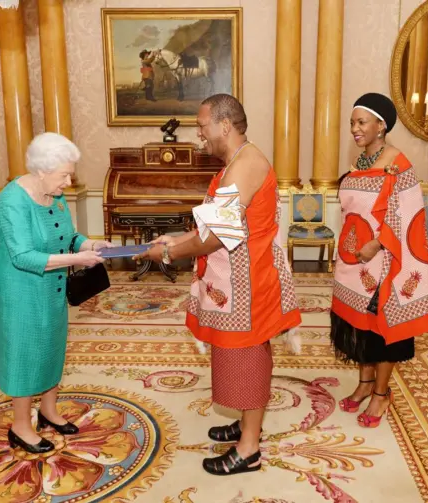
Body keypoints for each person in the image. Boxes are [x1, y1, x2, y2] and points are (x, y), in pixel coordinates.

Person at [134, 93, 301, 476]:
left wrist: (169, 253)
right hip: (234, 282)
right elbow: (208, 227)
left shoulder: (247, 165)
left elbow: (215, 237)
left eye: (202, 126)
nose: (198, 134)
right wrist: (171, 241)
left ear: (225, 125)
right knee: (235, 356)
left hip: (251, 280)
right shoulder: (233, 164)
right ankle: (246, 425)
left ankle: (249, 449)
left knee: (249, 357)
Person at [0, 132, 112, 453]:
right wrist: (78, 259)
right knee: (24, 354)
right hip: (20, 291)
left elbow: (69, 237)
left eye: (70, 174)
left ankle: (48, 411)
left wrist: (89, 244)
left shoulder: (54, 195)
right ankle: (20, 426)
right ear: (42, 171)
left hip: (52, 287)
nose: (68, 182)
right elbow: (23, 256)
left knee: (51, 347)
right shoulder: (11, 201)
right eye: (64, 175)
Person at [331, 92, 428, 427]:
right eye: (352, 123)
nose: (355, 129)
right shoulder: (360, 163)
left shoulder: (397, 164)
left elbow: (409, 214)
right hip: (353, 262)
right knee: (359, 328)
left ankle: (381, 393)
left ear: (381, 125)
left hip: (384, 263)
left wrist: (376, 244)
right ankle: (363, 384)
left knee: (381, 332)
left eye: (361, 122)